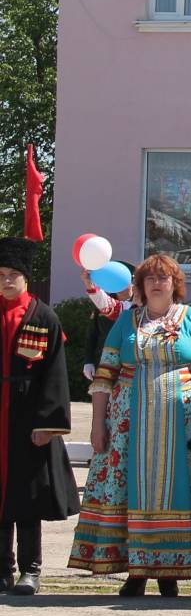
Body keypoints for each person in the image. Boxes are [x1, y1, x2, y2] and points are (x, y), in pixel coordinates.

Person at [70, 254, 191, 597]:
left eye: (163, 277)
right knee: (131, 490)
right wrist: (97, 424)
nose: (156, 283)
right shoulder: (127, 321)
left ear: (174, 284)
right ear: (139, 286)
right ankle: (136, 570)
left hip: (181, 426)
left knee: (177, 491)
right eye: (149, 278)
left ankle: (171, 569)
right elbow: (105, 376)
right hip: (128, 427)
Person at [0, 237, 78, 596]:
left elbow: (55, 373)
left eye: (12, 274)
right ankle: (2, 569)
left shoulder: (43, 316)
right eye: (0, 274)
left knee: (28, 496)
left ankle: (30, 569)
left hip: (28, 416)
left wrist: (48, 424)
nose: (6, 281)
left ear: (26, 278)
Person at [80, 268, 132, 383]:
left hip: (132, 363)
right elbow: (92, 334)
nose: (119, 286)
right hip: (105, 360)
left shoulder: (142, 305)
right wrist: (88, 361)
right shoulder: (107, 304)